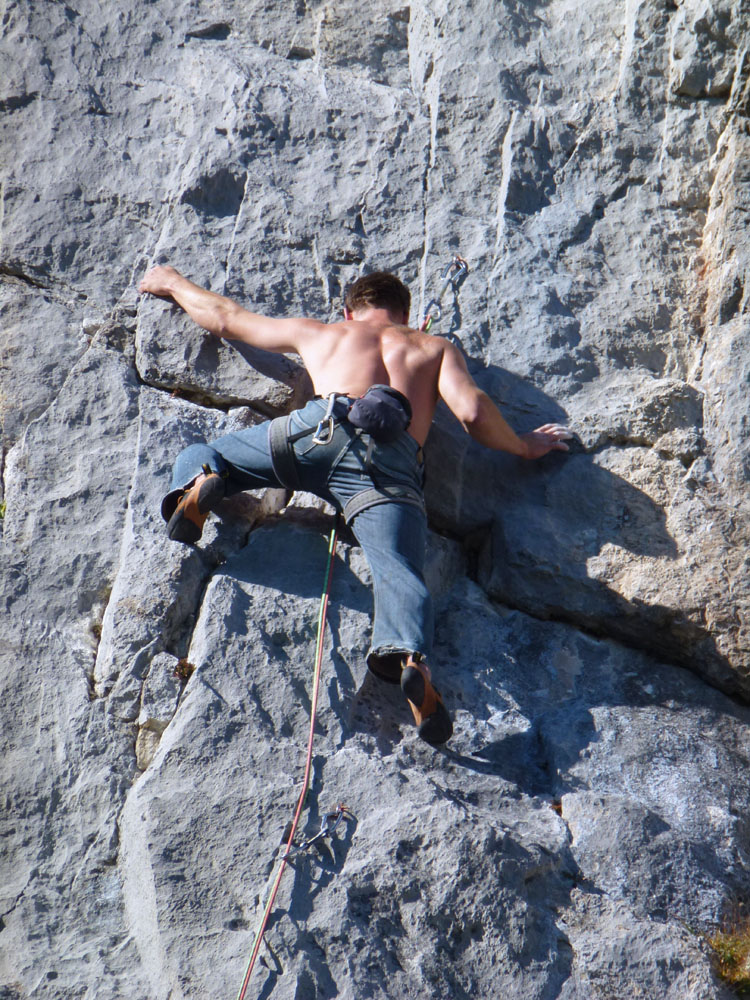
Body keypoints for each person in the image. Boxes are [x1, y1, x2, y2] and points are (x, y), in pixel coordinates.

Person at [138, 265, 572, 745]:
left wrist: (174, 282)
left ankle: (201, 483)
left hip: (314, 431)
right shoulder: (434, 347)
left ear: (350, 310)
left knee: (206, 453)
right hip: (388, 471)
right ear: (407, 316)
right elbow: (471, 411)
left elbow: (226, 318)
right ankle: (408, 659)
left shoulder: (324, 331)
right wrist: (524, 445)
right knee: (399, 570)